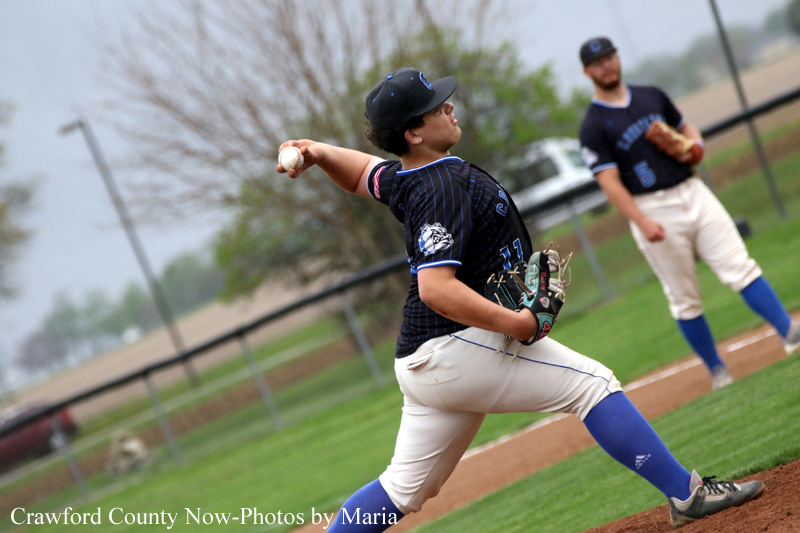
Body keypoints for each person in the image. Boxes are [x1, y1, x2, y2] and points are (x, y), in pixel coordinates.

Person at [277, 67, 765, 531]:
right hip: (455, 347)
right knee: (592, 385)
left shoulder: (411, 177)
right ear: (413, 134)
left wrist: (317, 151)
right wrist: (519, 325)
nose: (449, 106)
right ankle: (689, 495)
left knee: (404, 490)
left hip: (427, 356)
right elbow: (436, 288)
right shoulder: (441, 186)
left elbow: (363, 173)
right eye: (434, 107)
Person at [578, 37, 800, 391]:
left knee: (739, 264)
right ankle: (717, 371)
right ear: (587, 72)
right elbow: (609, 181)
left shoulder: (651, 94)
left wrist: (696, 146)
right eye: (598, 62)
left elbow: (687, 130)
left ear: (618, 58)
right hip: (653, 207)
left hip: (694, 191)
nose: (607, 65)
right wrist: (641, 220)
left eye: (610, 57)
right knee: (684, 296)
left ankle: (789, 332)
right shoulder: (593, 125)